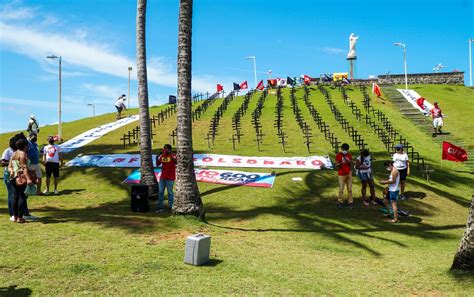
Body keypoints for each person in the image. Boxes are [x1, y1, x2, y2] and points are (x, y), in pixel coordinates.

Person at [8, 138, 35, 223]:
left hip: (13, 178)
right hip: (21, 178)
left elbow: (9, 166)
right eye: (27, 145)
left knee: (15, 197)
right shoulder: (23, 154)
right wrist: (28, 179)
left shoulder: (14, 154)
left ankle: (15, 217)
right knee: (22, 197)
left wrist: (12, 171)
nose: (28, 147)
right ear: (25, 146)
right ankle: (20, 217)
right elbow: (24, 168)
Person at [155, 144, 177, 212]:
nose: (165, 150)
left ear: (170, 149)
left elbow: (176, 162)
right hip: (163, 177)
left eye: (166, 148)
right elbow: (157, 164)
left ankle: (171, 206)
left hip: (170, 177)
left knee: (170, 192)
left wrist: (170, 154)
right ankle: (160, 206)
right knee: (161, 192)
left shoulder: (173, 155)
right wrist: (157, 157)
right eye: (164, 148)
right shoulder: (162, 156)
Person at [335, 143, 353, 209]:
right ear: (342, 149)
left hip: (349, 173)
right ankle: (340, 201)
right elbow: (336, 165)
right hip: (341, 174)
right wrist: (340, 163)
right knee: (341, 189)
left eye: (346, 149)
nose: (345, 150)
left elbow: (351, 163)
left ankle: (350, 202)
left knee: (350, 189)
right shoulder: (338, 155)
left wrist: (349, 161)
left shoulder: (349, 155)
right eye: (344, 149)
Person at [2, 137, 15, 221]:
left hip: (16, 174)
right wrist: (14, 163)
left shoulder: (17, 151)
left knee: (16, 194)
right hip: (8, 174)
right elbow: (2, 163)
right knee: (11, 194)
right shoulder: (8, 151)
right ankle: (12, 214)